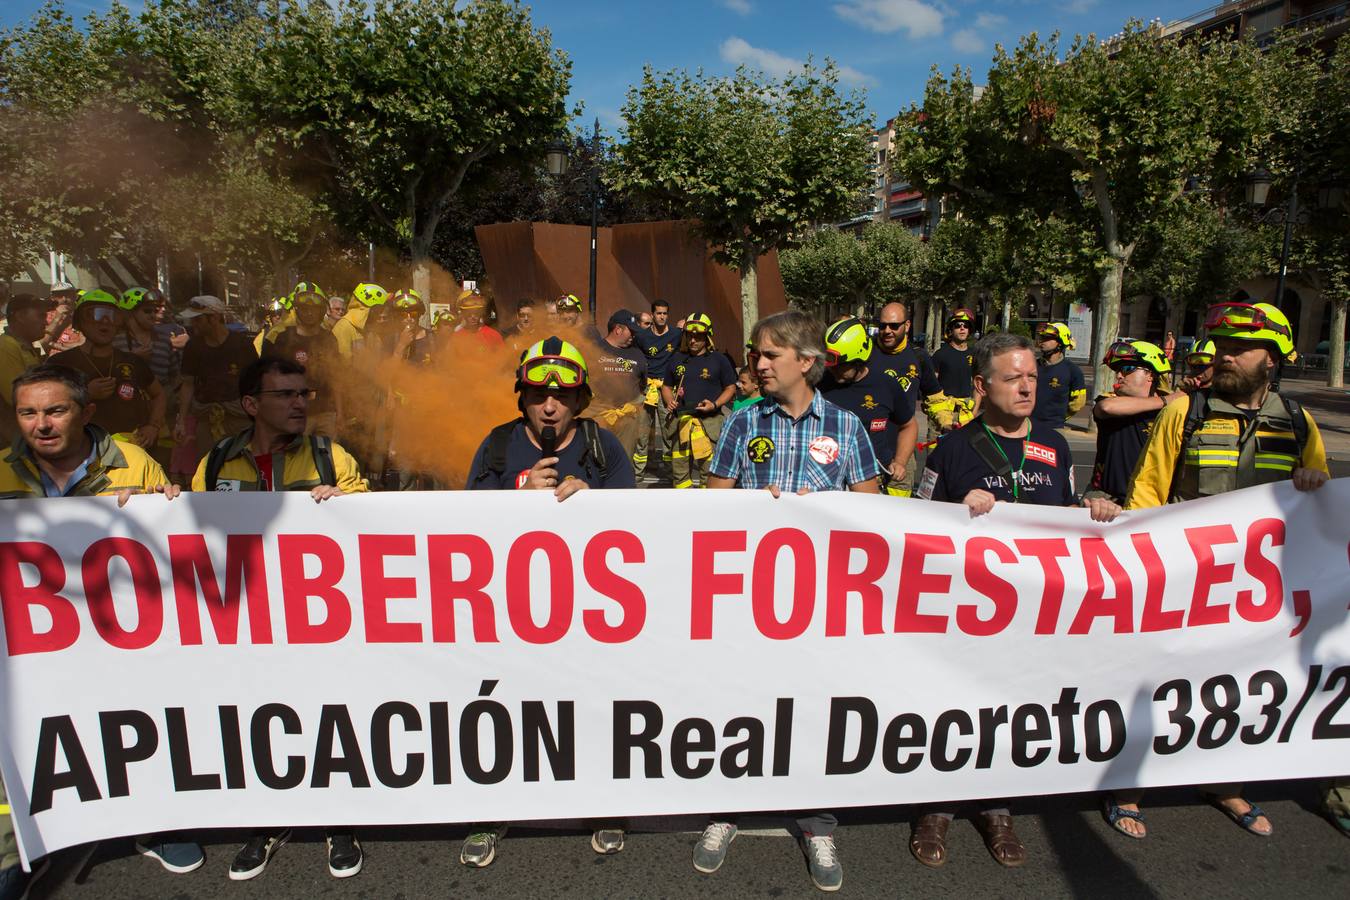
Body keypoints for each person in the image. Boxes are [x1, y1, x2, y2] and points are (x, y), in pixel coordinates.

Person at [1117, 302, 1329, 840]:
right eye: (1222, 345)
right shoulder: (1185, 411)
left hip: (1262, 596)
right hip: (1186, 586)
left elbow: (1324, 508)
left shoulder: (1299, 421)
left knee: (1240, 689)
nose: (1226, 355)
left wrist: (1311, 482)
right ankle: (1129, 787)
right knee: (1162, 684)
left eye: (1241, 348)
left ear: (1275, 358)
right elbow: (1147, 493)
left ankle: (1225, 782)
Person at [915, 332, 1118, 868]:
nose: (1027, 387)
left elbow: (1068, 514)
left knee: (1009, 708)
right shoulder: (953, 447)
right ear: (982, 386)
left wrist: (1093, 508)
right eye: (1013, 378)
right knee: (954, 707)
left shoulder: (1055, 444)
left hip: (1032, 618)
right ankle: (936, 807)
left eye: (1032, 377)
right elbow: (909, 527)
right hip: (962, 614)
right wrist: (956, 509)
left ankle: (996, 807)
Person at [701, 310, 877, 893]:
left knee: (814, 708)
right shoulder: (739, 423)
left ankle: (817, 820)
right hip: (746, 596)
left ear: (807, 362)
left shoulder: (848, 428)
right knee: (739, 701)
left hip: (821, 603)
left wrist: (820, 511)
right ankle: (727, 807)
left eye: (771, 355)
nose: (758, 364)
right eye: (756, 354)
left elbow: (873, 516)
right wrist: (756, 512)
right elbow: (710, 507)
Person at [1, 365, 192, 878]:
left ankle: (153, 827)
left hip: (122, 630)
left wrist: (165, 506)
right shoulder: (1, 470)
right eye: (28, 412)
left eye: (55, 410)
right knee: (32, 733)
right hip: (36, 639)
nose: (41, 424)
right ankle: (20, 841)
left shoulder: (133, 462)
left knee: (133, 725)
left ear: (86, 412)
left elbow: (177, 540)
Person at [190, 357, 367, 879]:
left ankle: (339, 820)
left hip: (320, 620)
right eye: (285, 395)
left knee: (329, 715)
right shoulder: (218, 460)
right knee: (262, 718)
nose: (299, 403)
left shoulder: (331, 457)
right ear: (251, 405)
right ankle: (270, 820)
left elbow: (373, 526)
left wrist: (346, 503)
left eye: (303, 394)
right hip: (250, 619)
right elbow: (195, 530)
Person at [461, 337, 633, 866]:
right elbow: (459, 522)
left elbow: (638, 523)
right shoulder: (495, 444)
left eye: (562, 396)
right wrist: (517, 492)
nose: (550, 405)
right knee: (505, 711)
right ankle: (491, 812)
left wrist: (593, 503)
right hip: (510, 612)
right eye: (538, 394)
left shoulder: (605, 446)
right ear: (523, 397)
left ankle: (602, 803)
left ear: (581, 399)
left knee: (591, 707)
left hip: (588, 613)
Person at [49, 288, 166, 451]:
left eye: (112, 316)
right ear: (80, 322)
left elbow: (159, 394)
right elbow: (46, 406)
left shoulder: (133, 361)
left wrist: (153, 426)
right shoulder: (60, 363)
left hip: (131, 453)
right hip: (81, 454)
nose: (105, 321)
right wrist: (85, 394)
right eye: (95, 314)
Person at [818, 316, 917, 496]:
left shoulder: (886, 384)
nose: (832, 370)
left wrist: (900, 461)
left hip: (873, 485)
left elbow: (909, 425)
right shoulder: (818, 385)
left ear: (859, 359)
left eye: (841, 365)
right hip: (828, 483)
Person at [1084, 340, 1180, 505]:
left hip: (1151, 503)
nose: (1119, 375)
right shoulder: (1110, 400)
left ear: (1150, 374)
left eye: (1127, 369)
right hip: (1105, 500)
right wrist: (1166, 400)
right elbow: (1106, 408)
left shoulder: (1172, 410)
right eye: (1118, 371)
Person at [868, 300, 947, 495]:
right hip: (867, 451)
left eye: (894, 326)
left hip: (903, 452)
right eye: (882, 325)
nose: (887, 331)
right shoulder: (866, 352)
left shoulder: (919, 357)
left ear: (907, 325)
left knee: (898, 512)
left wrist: (946, 419)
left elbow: (935, 398)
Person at [175, 295, 258, 459]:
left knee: (245, 464)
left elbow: (257, 382)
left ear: (213, 318)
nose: (193, 325)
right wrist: (181, 421)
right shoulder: (193, 346)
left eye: (198, 320)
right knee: (208, 467)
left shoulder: (242, 344)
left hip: (239, 418)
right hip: (206, 419)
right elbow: (188, 384)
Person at [661, 313, 736, 489]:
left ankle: (705, 511)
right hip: (681, 422)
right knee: (679, 473)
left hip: (709, 424)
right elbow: (666, 386)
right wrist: (669, 400)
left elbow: (730, 388)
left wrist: (715, 404)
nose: (693, 340)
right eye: (689, 336)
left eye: (698, 337)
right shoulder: (677, 358)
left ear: (708, 336)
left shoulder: (719, 360)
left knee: (708, 472)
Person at [261, 282, 343, 436]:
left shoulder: (329, 339)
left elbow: (336, 377)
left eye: (314, 309)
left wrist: (340, 413)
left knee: (327, 458)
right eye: (305, 308)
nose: (309, 313)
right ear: (297, 309)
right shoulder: (282, 339)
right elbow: (270, 379)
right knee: (295, 457)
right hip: (294, 413)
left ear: (321, 311)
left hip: (326, 413)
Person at [586, 309, 649, 456]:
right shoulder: (594, 350)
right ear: (618, 329)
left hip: (627, 419)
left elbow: (643, 385)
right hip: (599, 415)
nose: (634, 335)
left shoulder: (637, 354)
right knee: (596, 458)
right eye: (631, 331)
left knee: (623, 460)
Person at [632, 298, 682, 478]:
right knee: (642, 432)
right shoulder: (642, 336)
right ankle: (638, 472)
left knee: (669, 429)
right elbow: (635, 357)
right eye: (658, 313)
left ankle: (670, 471)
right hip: (646, 388)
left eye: (665, 313)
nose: (662, 317)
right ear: (652, 314)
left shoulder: (677, 334)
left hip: (667, 387)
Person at [1, 294, 48, 444]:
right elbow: (18, 398)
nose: (46, 322)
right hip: (14, 444)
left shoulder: (26, 347)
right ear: (20, 316)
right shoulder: (6, 346)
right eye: (41, 316)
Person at [928, 307, 979, 432]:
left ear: (970, 330)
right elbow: (930, 386)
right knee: (937, 449)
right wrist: (939, 413)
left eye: (966, 326)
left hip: (965, 413)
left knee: (962, 450)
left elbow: (978, 386)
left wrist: (973, 413)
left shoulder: (974, 354)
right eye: (957, 325)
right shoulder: (940, 354)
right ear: (951, 329)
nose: (962, 328)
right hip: (942, 411)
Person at [1031, 322, 1086, 427]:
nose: (1042, 341)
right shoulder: (1031, 365)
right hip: (1027, 425)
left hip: (1054, 427)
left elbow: (1078, 403)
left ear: (1061, 342)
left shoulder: (1073, 371)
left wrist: (1059, 417)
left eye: (1048, 338)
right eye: (1042, 337)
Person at [331, 282, 389, 359]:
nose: (381, 313)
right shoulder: (343, 327)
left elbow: (379, 360)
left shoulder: (369, 328)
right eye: (379, 309)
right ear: (370, 309)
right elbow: (342, 365)